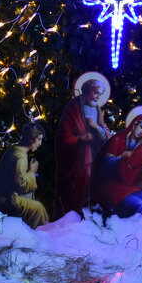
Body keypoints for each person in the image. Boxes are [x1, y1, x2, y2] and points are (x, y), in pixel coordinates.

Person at [53, 76, 112, 218]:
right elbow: (64, 136)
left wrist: (96, 127)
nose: (98, 97)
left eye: (100, 94)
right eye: (96, 92)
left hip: (93, 155)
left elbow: (106, 133)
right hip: (75, 158)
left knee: (94, 182)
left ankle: (90, 214)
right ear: (88, 90)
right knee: (78, 183)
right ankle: (72, 216)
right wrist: (81, 138)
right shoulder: (73, 107)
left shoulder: (97, 109)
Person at [0, 122, 49, 229]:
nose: (40, 143)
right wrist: (32, 172)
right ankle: (36, 236)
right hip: (5, 202)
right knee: (38, 208)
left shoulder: (15, 150)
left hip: (4, 198)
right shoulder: (19, 157)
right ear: (30, 138)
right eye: (39, 139)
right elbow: (21, 185)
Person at [92, 113, 142, 218]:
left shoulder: (139, 148)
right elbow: (106, 164)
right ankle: (133, 233)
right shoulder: (118, 139)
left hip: (125, 187)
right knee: (140, 206)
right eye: (141, 127)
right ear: (135, 124)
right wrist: (121, 157)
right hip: (109, 186)